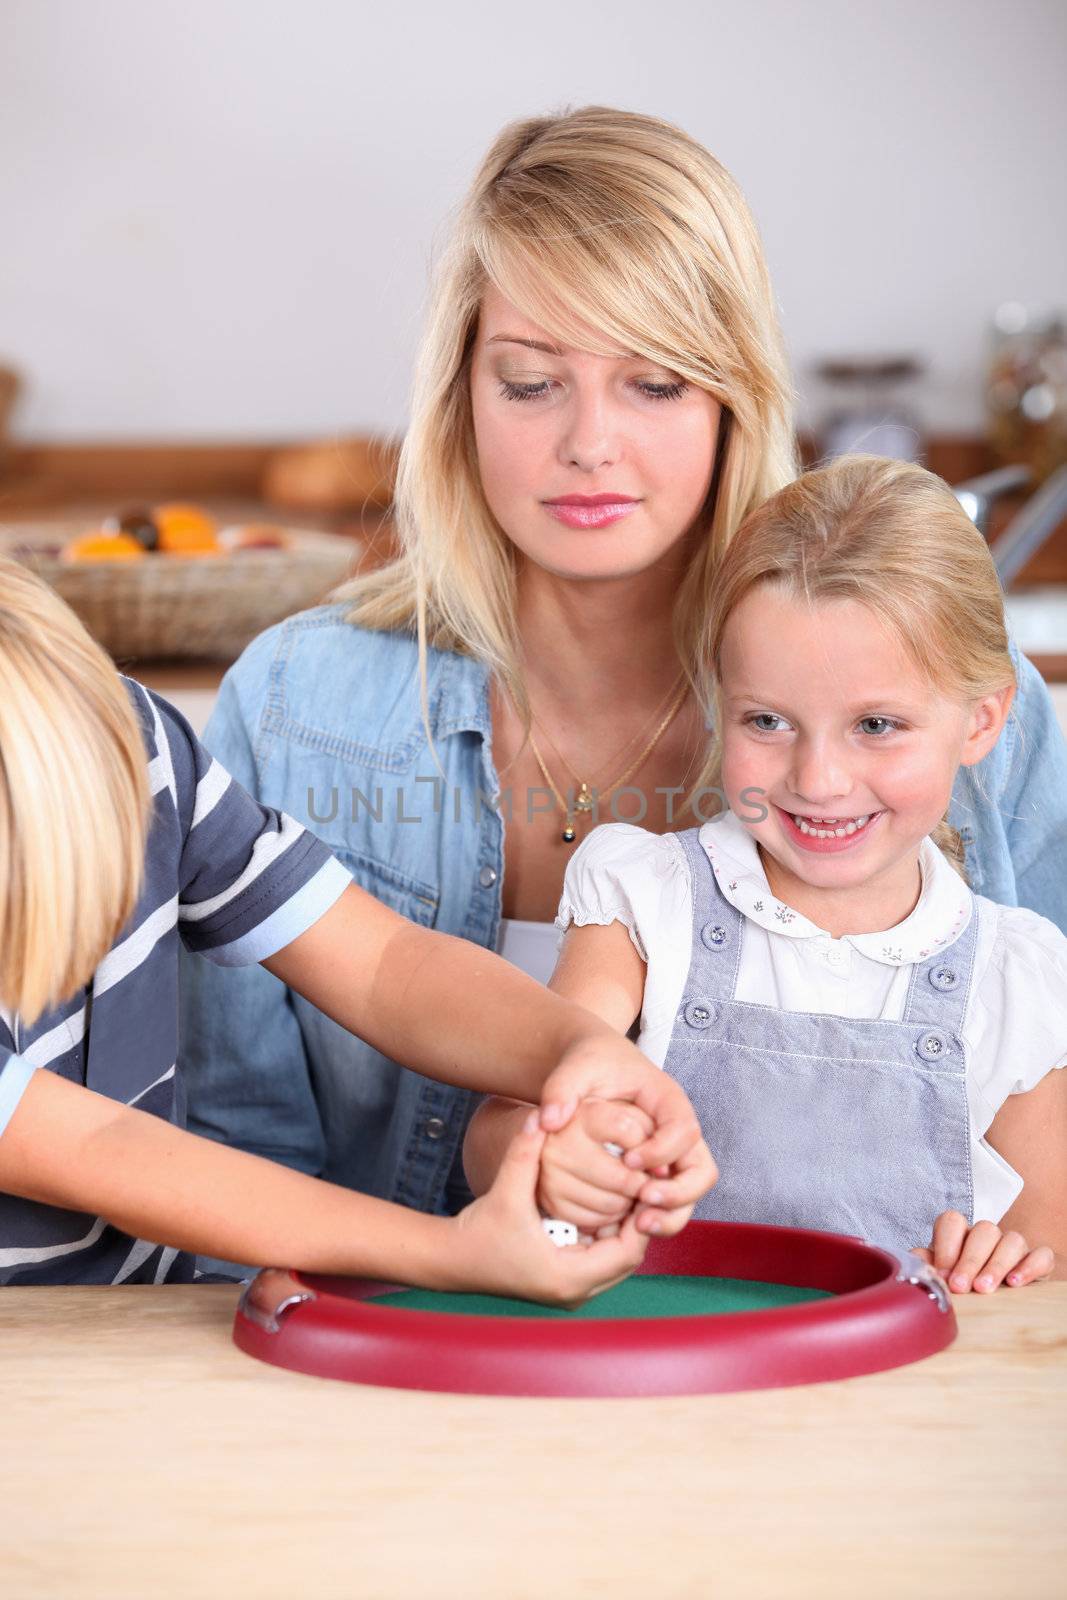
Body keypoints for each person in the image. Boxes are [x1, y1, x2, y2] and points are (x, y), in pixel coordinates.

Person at [178, 105, 1067, 1229]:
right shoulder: (297, 709)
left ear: (732, 396)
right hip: (397, 1360)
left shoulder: (984, 723)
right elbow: (231, 1158)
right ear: (457, 399)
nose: (588, 441)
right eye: (529, 380)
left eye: (654, 383)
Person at [0, 556, 712, 1292]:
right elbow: (102, 1147)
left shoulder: (126, 737)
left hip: (128, 1323)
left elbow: (382, 967)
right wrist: (448, 1251)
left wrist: (580, 1051)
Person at [465, 456, 1067, 1292]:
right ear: (719, 702)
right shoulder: (644, 903)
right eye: (768, 721)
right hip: (672, 1385)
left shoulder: (1020, 978)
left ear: (981, 720)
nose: (817, 779)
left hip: (899, 1406)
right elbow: (503, 1123)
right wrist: (547, 1157)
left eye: (876, 725)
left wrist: (1007, 1264)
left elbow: (1045, 1261)